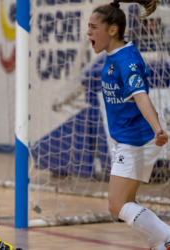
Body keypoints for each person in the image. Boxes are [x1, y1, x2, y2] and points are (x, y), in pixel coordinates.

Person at [87, 1, 170, 250]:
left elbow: (141, 95)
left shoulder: (126, 60)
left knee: (116, 205)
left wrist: (157, 128)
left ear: (112, 30)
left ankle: (167, 236)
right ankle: (158, 245)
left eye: (93, 27)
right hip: (133, 138)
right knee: (129, 202)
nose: (88, 32)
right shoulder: (117, 54)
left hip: (136, 139)